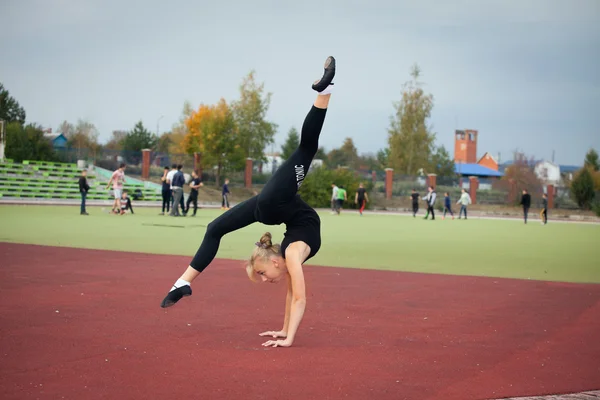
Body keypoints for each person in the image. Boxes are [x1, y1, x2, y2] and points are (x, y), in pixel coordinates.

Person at [160, 56, 336, 349]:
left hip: (275, 204)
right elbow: (298, 296)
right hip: (275, 204)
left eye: (263, 275)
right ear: (277, 261)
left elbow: (296, 296)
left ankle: (324, 90)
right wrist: (286, 334)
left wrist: (286, 335)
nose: (266, 280)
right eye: (265, 275)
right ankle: (183, 283)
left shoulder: (291, 256)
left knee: (306, 148)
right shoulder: (292, 257)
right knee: (215, 227)